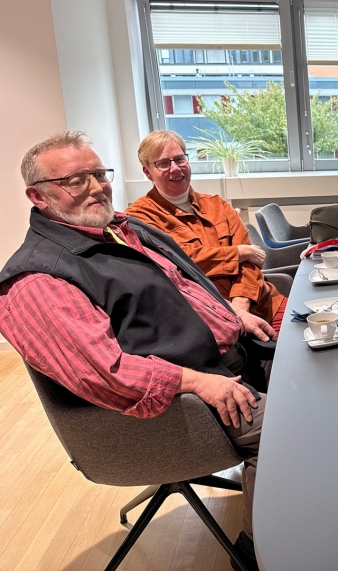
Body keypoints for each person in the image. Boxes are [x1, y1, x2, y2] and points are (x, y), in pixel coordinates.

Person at [0, 132, 264, 570]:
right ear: (37, 196)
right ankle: (259, 551)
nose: (96, 187)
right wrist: (198, 381)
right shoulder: (39, 279)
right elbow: (110, 374)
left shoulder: (120, 230)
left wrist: (234, 317)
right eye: (75, 181)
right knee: (293, 429)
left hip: (225, 358)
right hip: (181, 403)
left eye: (99, 174)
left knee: (321, 372)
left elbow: (183, 290)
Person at [126, 130, 282, 340]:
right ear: (147, 172)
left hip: (262, 303)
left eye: (180, 159)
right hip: (212, 322)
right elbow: (179, 263)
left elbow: (250, 263)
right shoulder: (138, 218)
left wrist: (240, 305)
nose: (175, 168)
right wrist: (237, 253)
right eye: (163, 163)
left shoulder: (217, 204)